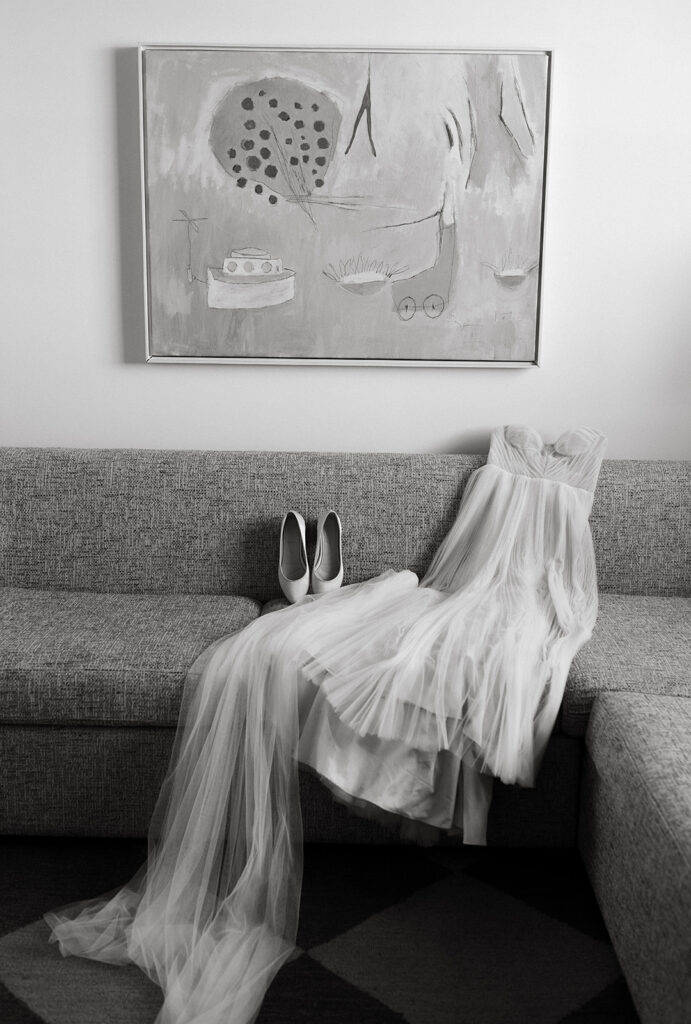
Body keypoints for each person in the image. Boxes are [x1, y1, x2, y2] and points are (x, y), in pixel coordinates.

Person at [45, 424, 607, 1024]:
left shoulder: (586, 456)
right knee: (376, 651)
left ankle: (315, 583)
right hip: (471, 579)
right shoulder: (509, 441)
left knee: (451, 649)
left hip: (526, 587)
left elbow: (566, 559)